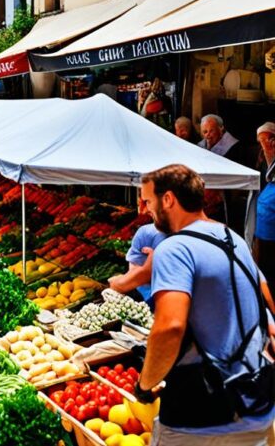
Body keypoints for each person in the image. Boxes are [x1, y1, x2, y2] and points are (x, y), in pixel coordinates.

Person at [134, 164, 275, 444]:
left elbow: (170, 327)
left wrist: (145, 384)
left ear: (169, 199)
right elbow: (267, 300)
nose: (143, 209)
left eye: (147, 200)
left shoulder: (174, 248)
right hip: (254, 402)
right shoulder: (233, 239)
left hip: (200, 412)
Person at [108, 200, 166, 304]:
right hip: (148, 300)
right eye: (142, 204)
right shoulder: (146, 233)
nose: (144, 211)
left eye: (148, 201)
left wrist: (147, 270)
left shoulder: (190, 237)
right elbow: (134, 274)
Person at [254, 122, 275, 284]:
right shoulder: (262, 156)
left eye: (265, 141)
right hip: (263, 232)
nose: (263, 146)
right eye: (260, 141)